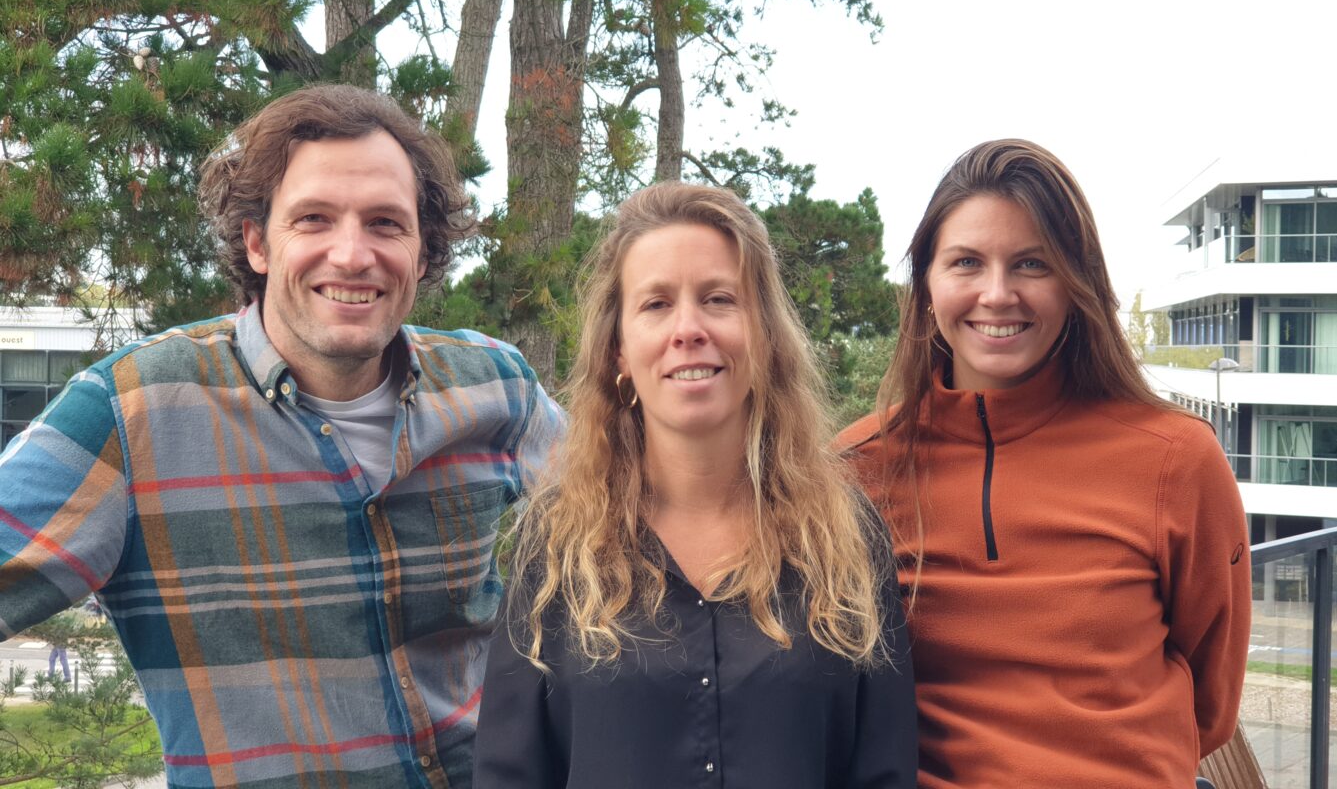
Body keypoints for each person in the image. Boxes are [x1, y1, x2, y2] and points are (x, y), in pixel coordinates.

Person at [0, 85, 563, 788]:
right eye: (314, 219)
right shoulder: (132, 413)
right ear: (259, 242)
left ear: (424, 251)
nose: (353, 255)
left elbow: (644, 527)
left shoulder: (495, 389)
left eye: (386, 223)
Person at [474, 182, 916, 788]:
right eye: (656, 304)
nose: (689, 328)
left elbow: (883, 769)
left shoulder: (846, 536)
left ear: (763, 337)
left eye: (718, 299)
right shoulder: (553, 546)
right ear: (618, 352)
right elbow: (510, 773)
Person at [839, 139, 1251, 787]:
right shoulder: (856, 470)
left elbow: (1212, 705)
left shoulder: (1177, 461)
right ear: (924, 285)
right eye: (967, 262)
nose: (997, 294)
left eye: (1032, 264)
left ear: (1077, 282)